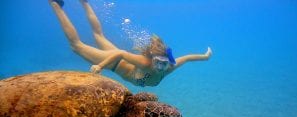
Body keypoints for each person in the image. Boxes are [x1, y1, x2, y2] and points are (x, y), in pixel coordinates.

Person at [49, 0, 212, 87]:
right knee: (76, 45)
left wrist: (205, 57)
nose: (159, 67)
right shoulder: (145, 62)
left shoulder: (170, 67)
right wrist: (100, 66)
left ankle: (84, 2)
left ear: (168, 62)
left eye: (164, 64)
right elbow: (120, 54)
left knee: (98, 35)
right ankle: (55, 3)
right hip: (114, 62)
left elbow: (189, 58)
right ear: (153, 59)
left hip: (117, 61)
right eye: (157, 62)